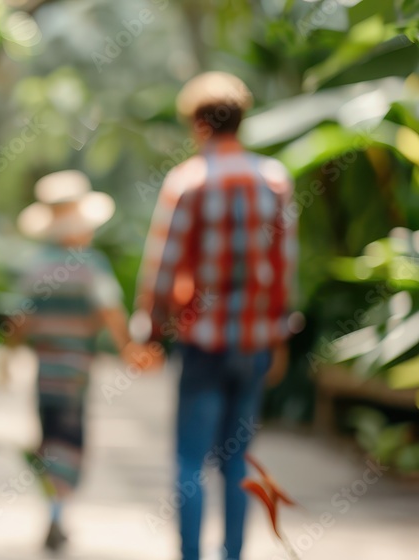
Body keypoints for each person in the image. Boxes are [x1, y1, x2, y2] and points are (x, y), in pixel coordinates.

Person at [134, 72, 298, 560]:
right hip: (254, 343)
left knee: (189, 458)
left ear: (200, 123)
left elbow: (161, 270)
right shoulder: (275, 180)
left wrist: (149, 330)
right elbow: (284, 270)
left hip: (202, 341)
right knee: (236, 457)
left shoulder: (188, 181)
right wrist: (280, 338)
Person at [9, 170, 163, 551]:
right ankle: (59, 511)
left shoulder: (37, 264)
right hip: (76, 370)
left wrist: (8, 353)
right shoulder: (90, 264)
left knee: (48, 437)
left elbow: (20, 320)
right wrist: (129, 348)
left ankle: (52, 504)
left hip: (45, 369)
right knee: (71, 440)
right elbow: (110, 311)